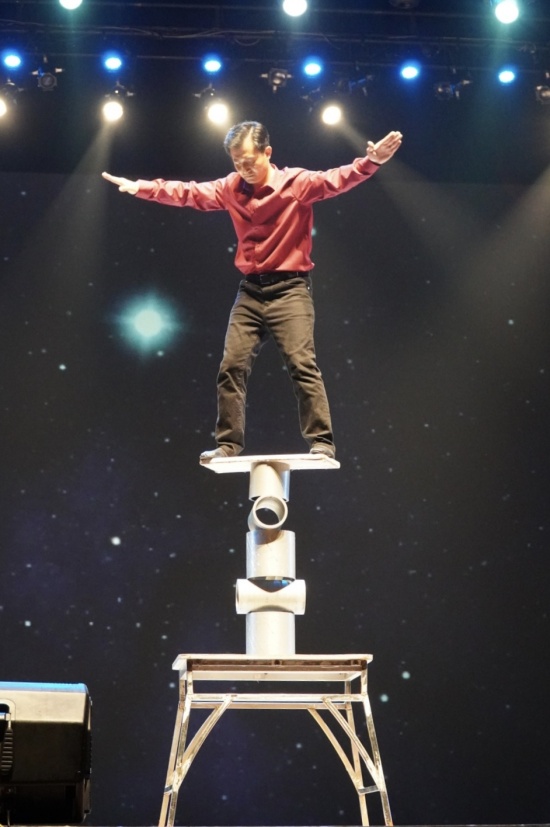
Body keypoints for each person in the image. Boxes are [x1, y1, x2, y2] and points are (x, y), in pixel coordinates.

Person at [102, 121, 402, 460]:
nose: (243, 169)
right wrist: (141, 187)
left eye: (249, 161)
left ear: (267, 152)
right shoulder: (231, 188)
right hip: (251, 292)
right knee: (231, 365)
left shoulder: (295, 183)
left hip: (290, 289)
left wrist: (371, 162)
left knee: (301, 363)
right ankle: (228, 444)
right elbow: (188, 193)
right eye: (236, 162)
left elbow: (337, 179)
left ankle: (321, 442)